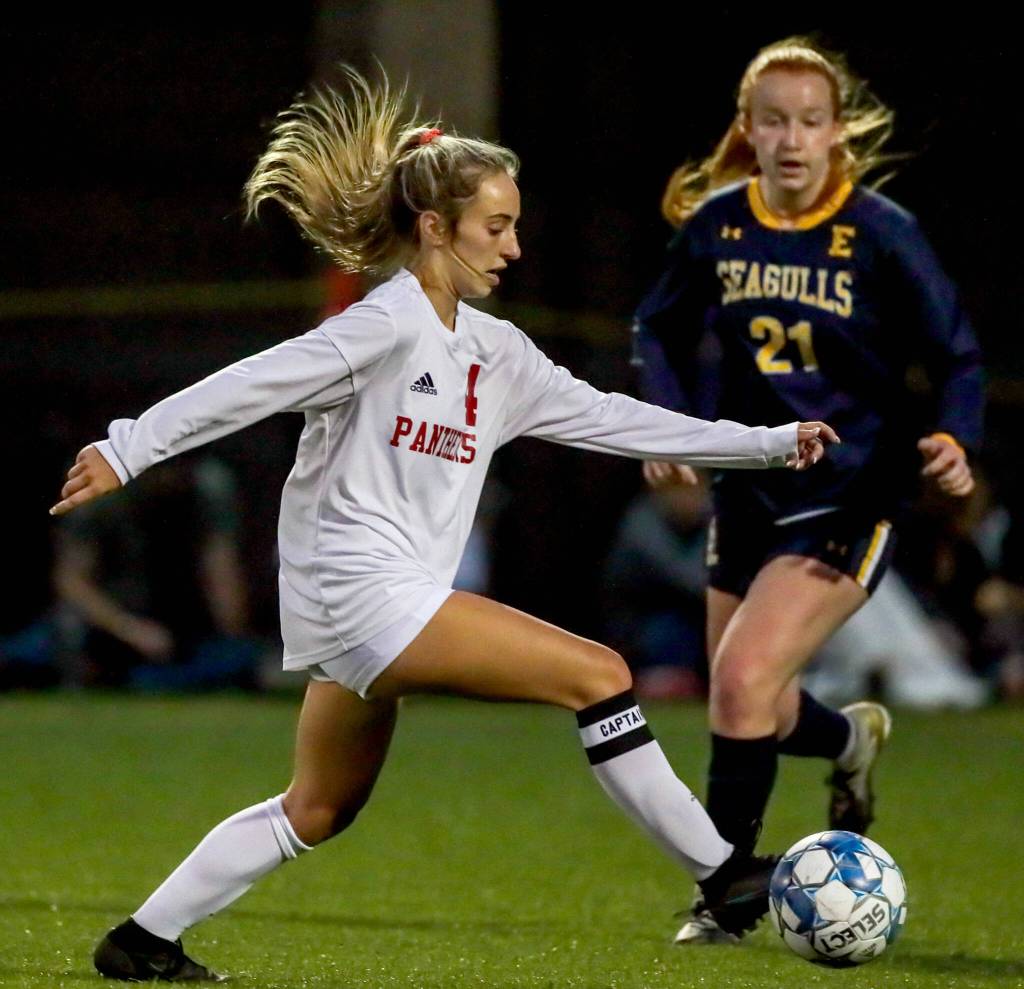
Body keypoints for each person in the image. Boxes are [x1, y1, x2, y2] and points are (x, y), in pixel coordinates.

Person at [51, 68, 835, 982]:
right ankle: (728, 875)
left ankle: (141, 940)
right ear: (436, 227)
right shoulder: (380, 326)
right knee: (601, 673)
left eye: (513, 225)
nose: (512, 246)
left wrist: (770, 443)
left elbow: (619, 420)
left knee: (321, 806)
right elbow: (249, 384)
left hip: (391, 600)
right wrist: (129, 446)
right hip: (358, 590)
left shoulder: (498, 353)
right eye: (495, 226)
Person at [633, 36, 984, 944]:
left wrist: (953, 435)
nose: (792, 138)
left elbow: (955, 353)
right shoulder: (718, 223)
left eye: (811, 121)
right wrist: (670, 422)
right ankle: (848, 741)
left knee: (744, 682)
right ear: (748, 130)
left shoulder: (880, 231)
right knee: (745, 701)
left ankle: (726, 900)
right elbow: (659, 328)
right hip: (747, 493)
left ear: (836, 134)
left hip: (848, 497)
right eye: (774, 120)